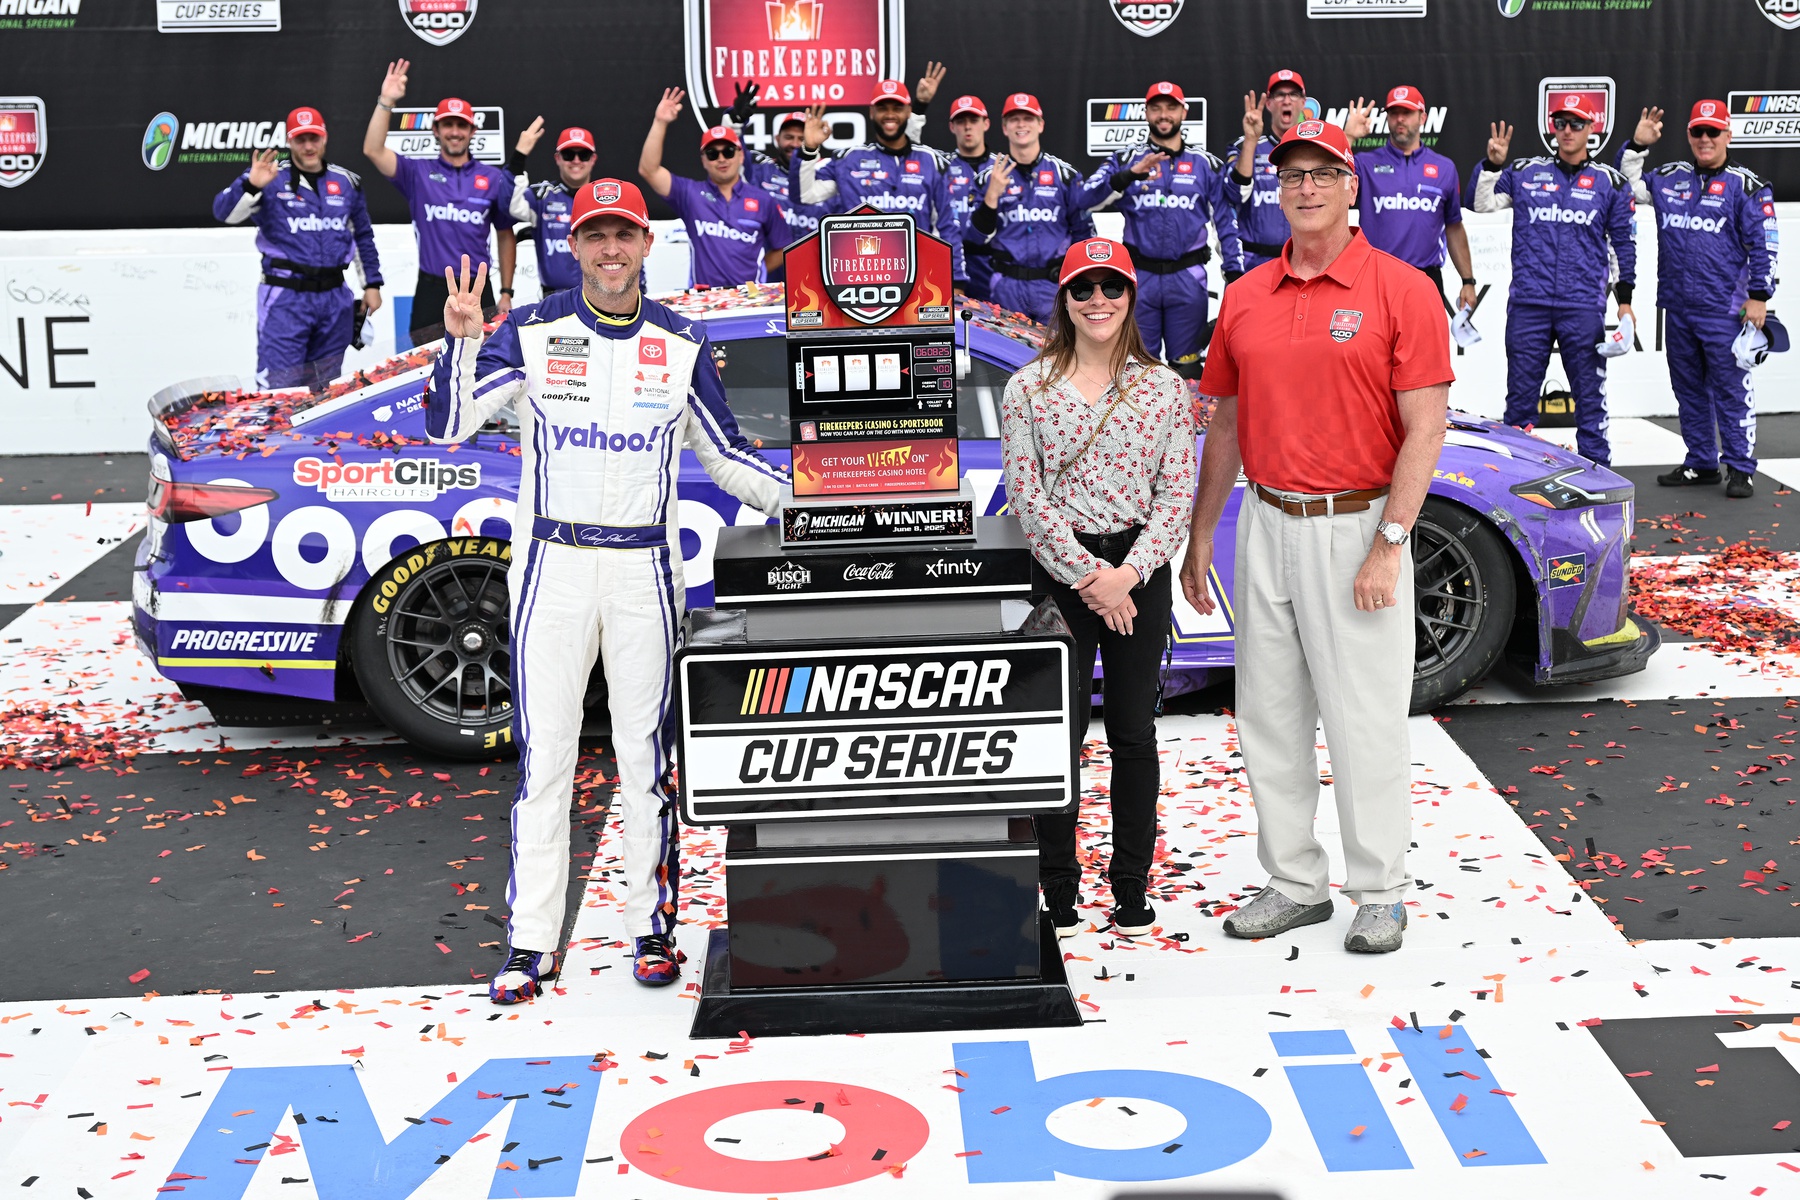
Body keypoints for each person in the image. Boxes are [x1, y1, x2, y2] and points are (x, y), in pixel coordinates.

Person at [425, 179, 787, 999]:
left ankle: (649, 930)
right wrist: (458, 344)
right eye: (596, 235)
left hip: (643, 572)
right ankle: (529, 944)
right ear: (575, 244)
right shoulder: (532, 326)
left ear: (646, 244)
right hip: (550, 567)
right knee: (545, 763)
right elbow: (449, 427)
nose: (610, 250)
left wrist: (810, 505)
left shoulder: (683, 342)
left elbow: (728, 457)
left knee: (643, 763)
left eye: (624, 234)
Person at [1180, 121, 1453, 954]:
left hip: (1360, 522)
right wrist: (1200, 539)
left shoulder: (1402, 288)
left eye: (1321, 173)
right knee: (1269, 714)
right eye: (1291, 173)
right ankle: (1296, 882)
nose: (1304, 187)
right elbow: (1225, 423)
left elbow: (1427, 427)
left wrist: (1391, 541)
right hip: (1266, 522)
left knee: (1364, 718)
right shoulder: (1246, 294)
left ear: (1351, 186)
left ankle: (1379, 890)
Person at [1000, 237, 1195, 939]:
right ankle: (1059, 888)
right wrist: (1090, 579)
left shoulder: (1166, 388)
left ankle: (1131, 887)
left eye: (1112, 288)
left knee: (1133, 735)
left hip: (1138, 576)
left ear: (1132, 297)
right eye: (1084, 290)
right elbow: (1026, 496)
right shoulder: (1026, 388)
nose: (1098, 302)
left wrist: (1129, 577)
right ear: (1064, 300)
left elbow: (1177, 493)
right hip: (1063, 579)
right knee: (1059, 737)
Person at [1620, 101, 1779, 498]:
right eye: (1698, 132)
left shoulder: (1747, 186)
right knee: (1688, 388)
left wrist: (1759, 296)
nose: (1705, 139)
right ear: (1689, 136)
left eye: (1713, 132)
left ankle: (1740, 467)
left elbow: (1766, 246)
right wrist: (1637, 147)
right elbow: (1628, 188)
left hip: (1724, 309)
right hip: (1678, 307)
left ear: (1728, 135)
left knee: (1730, 388)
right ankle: (1703, 461)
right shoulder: (1670, 178)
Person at [1475, 100, 1636, 466]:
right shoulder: (1526, 171)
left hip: (1582, 306)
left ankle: (1598, 469)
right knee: (1520, 398)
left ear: (1591, 128)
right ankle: (1515, 470)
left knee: (1589, 396)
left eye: (1576, 124)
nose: (1567, 130)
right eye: (1561, 122)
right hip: (1529, 304)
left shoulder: (1610, 182)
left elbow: (1623, 244)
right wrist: (1492, 165)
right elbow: (1481, 203)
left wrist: (1624, 301)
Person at [213, 105, 383, 388]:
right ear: (289, 140)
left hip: (334, 299)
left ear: (324, 138)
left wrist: (372, 285)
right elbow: (224, 213)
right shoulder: (268, 176)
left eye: (313, 138)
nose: (308, 146)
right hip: (286, 298)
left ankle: (321, 435)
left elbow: (362, 236)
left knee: (326, 388)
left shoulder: (346, 182)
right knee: (281, 388)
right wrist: (252, 185)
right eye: (300, 139)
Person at [1080, 81, 1242, 376]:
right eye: (1156, 108)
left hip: (1188, 280)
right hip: (1140, 281)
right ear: (1146, 113)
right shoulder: (1127, 159)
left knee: (1188, 370)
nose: (1163, 114)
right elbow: (1084, 199)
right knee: (1136, 372)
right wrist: (1128, 176)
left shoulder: (1206, 164)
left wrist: (1235, 275)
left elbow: (1226, 223)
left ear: (1184, 111)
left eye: (1171, 107)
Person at [363, 59, 518, 340]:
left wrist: (507, 292)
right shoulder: (417, 172)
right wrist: (386, 101)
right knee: (423, 370)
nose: (455, 131)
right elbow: (373, 150)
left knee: (484, 367)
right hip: (432, 288)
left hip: (478, 287)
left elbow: (506, 233)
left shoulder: (493, 178)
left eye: (462, 125)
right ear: (436, 130)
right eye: (448, 124)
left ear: (473, 131)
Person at [788, 75, 964, 284]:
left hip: (920, 278)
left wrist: (956, 281)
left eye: (897, 108)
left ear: (909, 111)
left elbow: (948, 226)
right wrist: (808, 149)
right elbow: (803, 195)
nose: (890, 115)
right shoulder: (849, 159)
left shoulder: (931, 161)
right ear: (871, 113)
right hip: (859, 279)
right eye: (882, 108)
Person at [639, 88, 790, 288]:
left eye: (728, 151)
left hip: (752, 298)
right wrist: (660, 122)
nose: (721, 159)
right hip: (704, 300)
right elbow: (649, 170)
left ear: (741, 155)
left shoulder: (763, 200)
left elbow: (784, 246)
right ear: (703, 160)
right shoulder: (690, 194)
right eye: (712, 153)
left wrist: (759, 269)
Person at [967, 94, 1096, 323]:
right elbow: (974, 239)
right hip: (1006, 287)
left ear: (1041, 124)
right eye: (1014, 119)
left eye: (1028, 118)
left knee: (1057, 356)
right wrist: (991, 198)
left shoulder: (1065, 176)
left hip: (1053, 286)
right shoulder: (987, 178)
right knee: (1007, 357)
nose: (1021, 124)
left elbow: (1084, 235)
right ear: (1005, 128)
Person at [1228, 71, 1372, 271]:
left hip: (1307, 261)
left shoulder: (1322, 146)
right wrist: (1251, 139)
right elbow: (1235, 194)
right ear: (1269, 103)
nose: (1286, 101)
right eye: (1279, 95)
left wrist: (1348, 136)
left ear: (1304, 102)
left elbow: (1332, 168)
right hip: (1255, 261)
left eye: (1293, 94)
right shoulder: (1246, 146)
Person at [1354, 86, 1477, 313]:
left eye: (1407, 112)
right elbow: (1326, 173)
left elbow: (1454, 227)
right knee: (1373, 349)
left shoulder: (1445, 168)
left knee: (1426, 349)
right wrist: (1348, 136)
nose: (1400, 119)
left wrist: (1468, 281)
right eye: (1394, 113)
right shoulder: (1364, 164)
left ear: (1423, 117)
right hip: (1375, 278)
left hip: (1425, 278)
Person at [506, 120, 595, 298]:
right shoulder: (542, 196)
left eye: (583, 155)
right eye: (569, 154)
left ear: (593, 159)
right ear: (558, 158)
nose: (576, 161)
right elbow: (509, 204)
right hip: (554, 299)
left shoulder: (604, 197)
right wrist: (519, 156)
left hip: (600, 298)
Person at [943, 94, 999, 300]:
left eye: (973, 121)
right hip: (953, 260)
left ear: (986, 124)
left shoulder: (1003, 166)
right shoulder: (940, 166)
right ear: (952, 126)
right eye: (961, 121)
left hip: (993, 263)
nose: (967, 127)